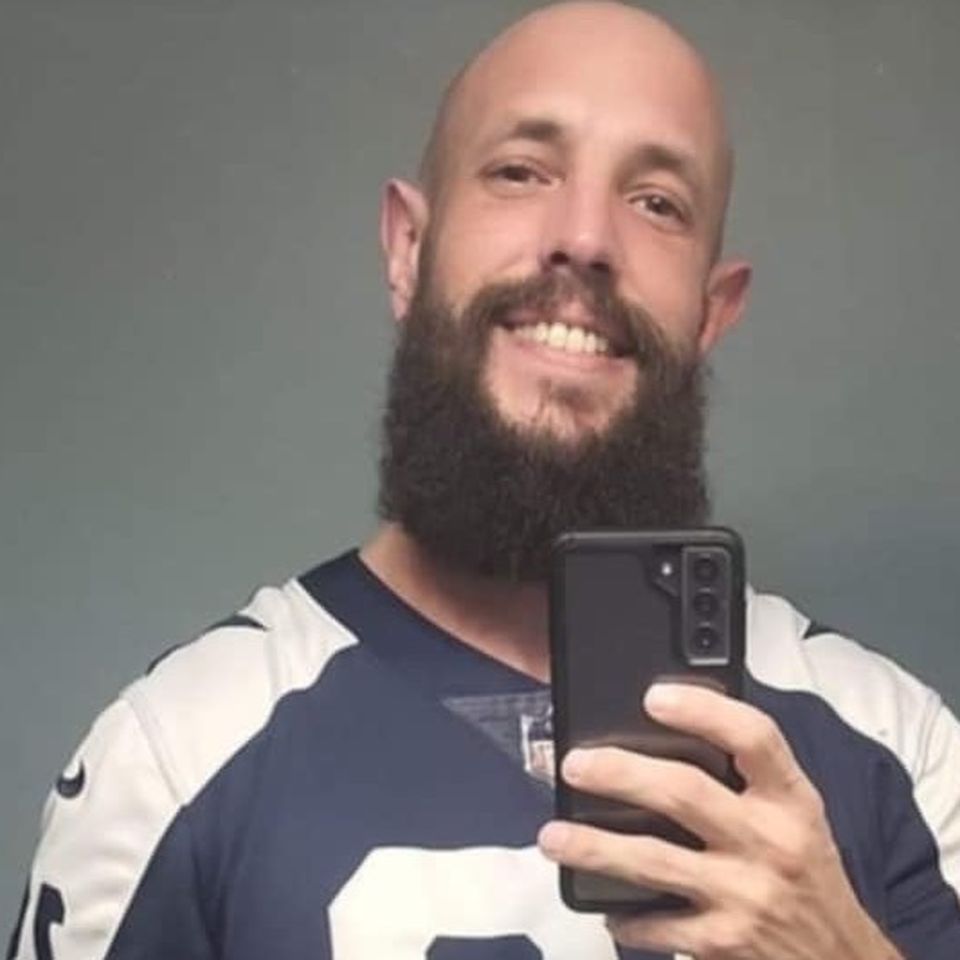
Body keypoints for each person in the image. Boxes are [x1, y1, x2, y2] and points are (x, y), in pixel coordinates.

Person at [8, 2, 960, 958]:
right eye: (520, 172)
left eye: (657, 202)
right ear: (408, 250)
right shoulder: (173, 757)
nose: (585, 237)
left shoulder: (904, 751)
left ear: (712, 312)